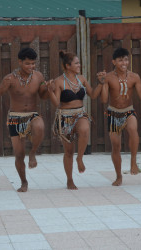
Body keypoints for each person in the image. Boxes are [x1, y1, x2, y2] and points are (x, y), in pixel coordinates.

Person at [98, 47, 141, 186]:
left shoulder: (134, 77)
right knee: (116, 146)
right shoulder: (108, 77)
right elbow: (103, 99)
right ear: (114, 62)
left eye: (126, 59)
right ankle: (119, 176)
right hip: (113, 113)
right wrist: (103, 84)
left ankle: (133, 161)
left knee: (133, 129)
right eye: (120, 60)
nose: (124, 63)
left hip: (128, 111)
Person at [0, 47, 48, 192]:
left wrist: (48, 89)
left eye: (33, 63)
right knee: (19, 154)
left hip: (32, 114)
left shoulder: (39, 76)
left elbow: (43, 96)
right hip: (15, 117)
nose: (31, 67)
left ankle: (33, 152)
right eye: (28, 64)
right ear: (20, 62)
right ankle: (24, 182)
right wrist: (3, 86)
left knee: (40, 126)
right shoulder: (10, 78)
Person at [47, 51, 103, 190]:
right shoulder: (59, 81)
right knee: (68, 152)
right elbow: (56, 103)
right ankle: (70, 180)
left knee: (85, 129)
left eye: (79, 63)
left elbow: (94, 95)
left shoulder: (82, 79)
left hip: (80, 114)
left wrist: (101, 83)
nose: (79, 65)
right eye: (76, 63)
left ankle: (80, 158)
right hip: (64, 116)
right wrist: (50, 91)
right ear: (68, 65)